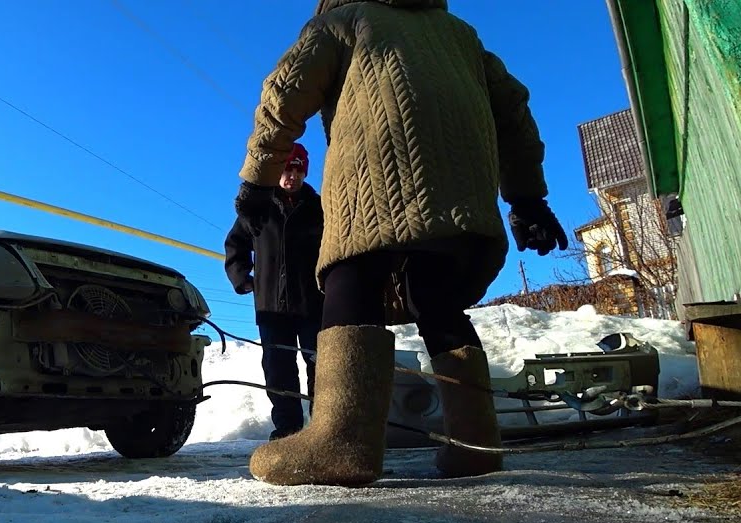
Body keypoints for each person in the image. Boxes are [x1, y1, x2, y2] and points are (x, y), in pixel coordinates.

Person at [233, 0, 569, 487]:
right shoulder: (460, 36)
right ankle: (475, 441)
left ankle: (341, 441)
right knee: (435, 295)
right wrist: (527, 198)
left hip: (375, 169)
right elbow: (513, 112)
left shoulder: (341, 22)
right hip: (461, 190)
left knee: (354, 269)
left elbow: (285, 91)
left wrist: (257, 179)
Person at [223, 143, 325, 441]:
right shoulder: (259, 208)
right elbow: (235, 244)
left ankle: (322, 428)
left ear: (305, 172)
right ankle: (287, 429)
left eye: (298, 169)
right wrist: (242, 277)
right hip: (271, 305)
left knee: (320, 364)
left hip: (312, 302)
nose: (292, 175)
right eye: (286, 169)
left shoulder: (319, 208)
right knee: (278, 367)